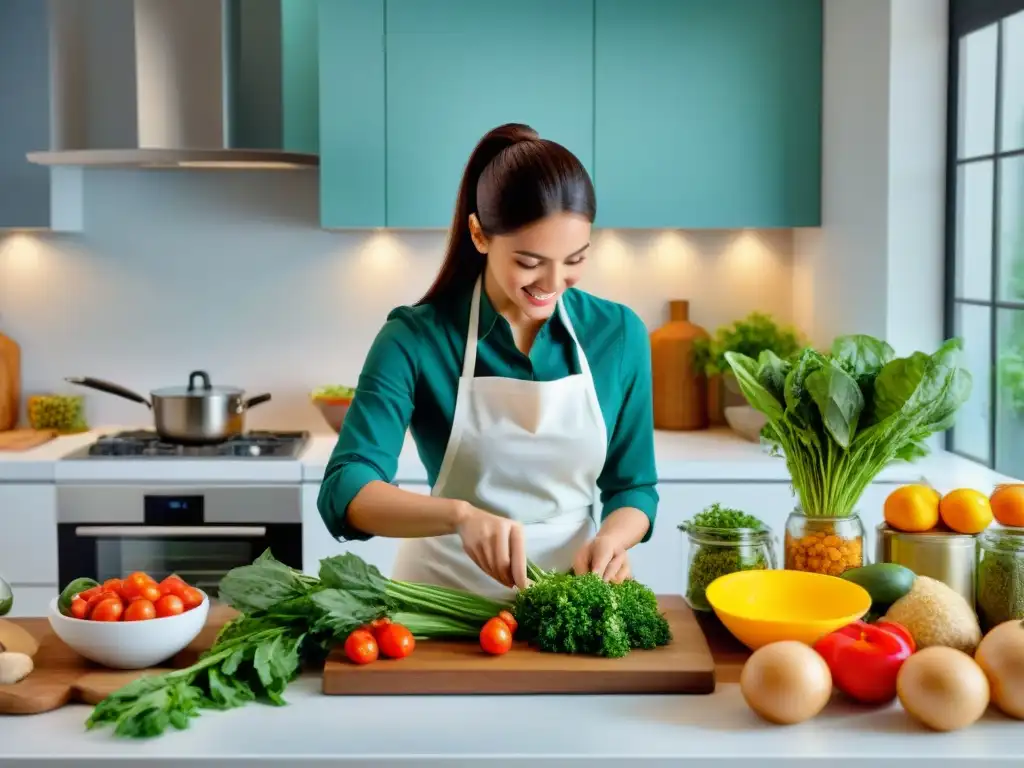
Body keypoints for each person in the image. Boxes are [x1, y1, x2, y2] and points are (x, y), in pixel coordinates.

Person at [317, 122, 658, 600]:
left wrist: (612, 540)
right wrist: (459, 516)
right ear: (479, 234)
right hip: (441, 603)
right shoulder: (415, 338)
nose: (554, 282)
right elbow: (346, 488)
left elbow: (634, 488)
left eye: (575, 259)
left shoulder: (619, 334)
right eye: (529, 261)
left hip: (571, 602)